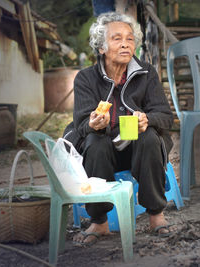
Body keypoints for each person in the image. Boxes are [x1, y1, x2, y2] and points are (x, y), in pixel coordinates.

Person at [69, 12, 175, 246]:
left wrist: (147, 119)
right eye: (117, 38)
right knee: (95, 143)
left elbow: (166, 117)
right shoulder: (86, 78)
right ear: (101, 47)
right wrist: (94, 123)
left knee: (148, 136)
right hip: (104, 151)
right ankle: (99, 221)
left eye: (130, 38)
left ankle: (156, 215)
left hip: (139, 149)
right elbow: (80, 124)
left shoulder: (146, 73)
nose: (126, 43)